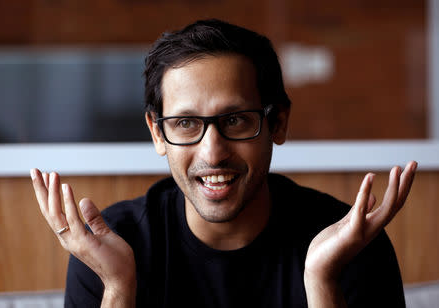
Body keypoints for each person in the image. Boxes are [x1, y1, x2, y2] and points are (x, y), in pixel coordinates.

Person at [30, 19, 417, 308]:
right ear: (157, 133)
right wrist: (117, 288)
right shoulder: (110, 251)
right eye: (185, 123)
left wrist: (321, 281)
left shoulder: (350, 246)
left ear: (277, 123)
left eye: (235, 120)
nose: (212, 152)